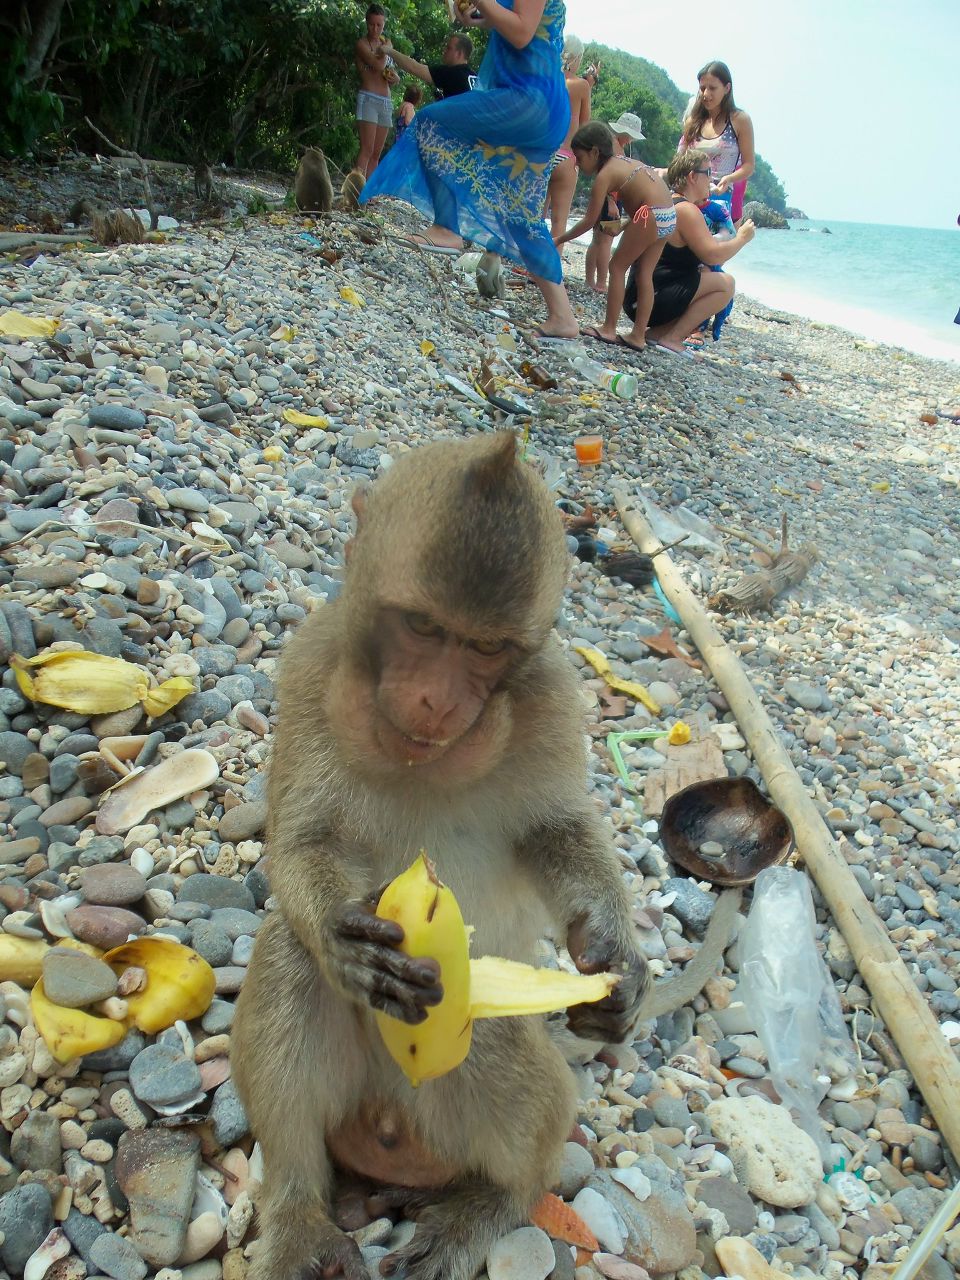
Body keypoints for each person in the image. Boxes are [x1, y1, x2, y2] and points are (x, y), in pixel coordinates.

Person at [360, 0, 580, 341]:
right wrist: (479, 19)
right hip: (541, 106)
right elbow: (522, 29)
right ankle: (563, 316)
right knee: (520, 213)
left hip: (528, 98)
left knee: (431, 123)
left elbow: (521, 33)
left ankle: (448, 229)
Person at [555, 121, 675, 352]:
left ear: (594, 152)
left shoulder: (604, 176)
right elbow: (649, 200)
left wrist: (560, 239)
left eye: (579, 157)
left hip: (650, 214)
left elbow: (589, 221)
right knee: (645, 274)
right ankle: (638, 336)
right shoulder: (623, 162)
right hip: (668, 215)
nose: (576, 163)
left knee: (617, 266)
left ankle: (609, 328)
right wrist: (622, 227)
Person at [623, 148, 755, 356]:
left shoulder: (670, 201)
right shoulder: (687, 210)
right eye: (708, 173)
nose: (712, 180)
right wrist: (741, 239)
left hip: (638, 298)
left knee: (706, 274)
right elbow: (713, 255)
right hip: (651, 299)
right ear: (692, 177)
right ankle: (672, 338)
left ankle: (656, 334)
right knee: (726, 284)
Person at [678, 60, 754, 224]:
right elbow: (679, 162)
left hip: (720, 197)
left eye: (712, 88)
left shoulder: (740, 120)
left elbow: (748, 165)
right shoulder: (693, 121)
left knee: (715, 248)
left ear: (727, 88)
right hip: (690, 197)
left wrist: (729, 179)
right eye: (702, 88)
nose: (706, 94)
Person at [584, 111, 645, 293]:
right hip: (609, 198)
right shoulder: (614, 148)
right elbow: (608, 176)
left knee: (597, 240)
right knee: (605, 241)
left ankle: (590, 280)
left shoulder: (612, 144)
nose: (632, 140)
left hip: (604, 197)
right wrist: (611, 201)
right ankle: (602, 282)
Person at [543, 34, 591, 241]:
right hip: (567, 155)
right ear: (576, 57)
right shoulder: (581, 86)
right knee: (559, 221)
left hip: (543, 152)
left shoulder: (547, 79)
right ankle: (550, 271)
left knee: (536, 215)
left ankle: (525, 262)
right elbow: (584, 127)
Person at [354, 4, 400, 177]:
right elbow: (379, 64)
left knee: (376, 154)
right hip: (368, 98)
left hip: (386, 101)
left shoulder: (384, 45)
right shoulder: (362, 44)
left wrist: (395, 78)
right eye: (372, 24)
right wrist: (387, 49)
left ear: (384, 25)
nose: (375, 29)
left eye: (379, 25)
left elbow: (390, 71)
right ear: (366, 23)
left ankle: (368, 194)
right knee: (366, 149)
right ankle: (355, 192)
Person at [381, 31, 476, 100]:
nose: (444, 50)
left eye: (449, 48)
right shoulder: (475, 77)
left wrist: (388, 50)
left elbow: (413, 67)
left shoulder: (452, 73)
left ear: (459, 54)